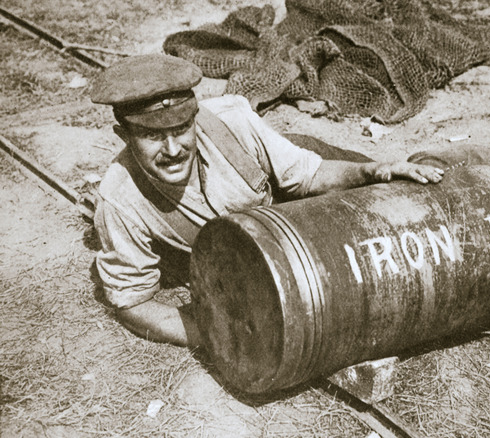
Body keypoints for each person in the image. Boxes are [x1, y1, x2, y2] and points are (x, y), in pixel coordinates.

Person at [90, 54, 445, 348]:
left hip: (286, 182)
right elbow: (133, 301)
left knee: (393, 192)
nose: (172, 150)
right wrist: (216, 336)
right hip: (252, 245)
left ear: (194, 118)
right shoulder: (119, 199)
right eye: (152, 135)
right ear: (124, 135)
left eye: (181, 129)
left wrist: (373, 171)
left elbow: (309, 175)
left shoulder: (232, 120)